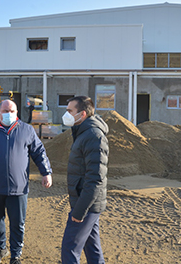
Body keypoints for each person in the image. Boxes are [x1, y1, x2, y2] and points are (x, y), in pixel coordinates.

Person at [0, 99, 52, 264]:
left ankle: (16, 255)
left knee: (17, 223)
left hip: (18, 188)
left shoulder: (26, 130)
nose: (8, 114)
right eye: (5, 111)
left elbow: (39, 151)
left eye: (12, 111)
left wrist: (46, 172)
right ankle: (1, 248)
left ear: (17, 113)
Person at [61, 96, 109, 264]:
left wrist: (79, 212)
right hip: (86, 203)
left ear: (82, 114)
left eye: (69, 111)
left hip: (86, 205)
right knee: (93, 249)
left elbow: (95, 179)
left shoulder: (94, 136)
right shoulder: (83, 132)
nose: (66, 114)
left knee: (69, 249)